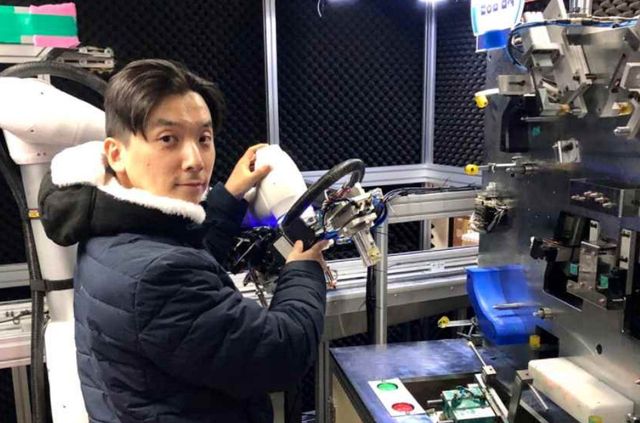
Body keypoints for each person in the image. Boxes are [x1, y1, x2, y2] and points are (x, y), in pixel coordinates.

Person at [38, 59, 328, 423]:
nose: (195, 160)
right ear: (116, 154)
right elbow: (281, 353)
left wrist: (230, 196)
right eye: (168, 139)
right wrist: (304, 272)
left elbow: (187, 247)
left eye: (203, 139)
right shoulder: (158, 275)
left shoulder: (107, 224)